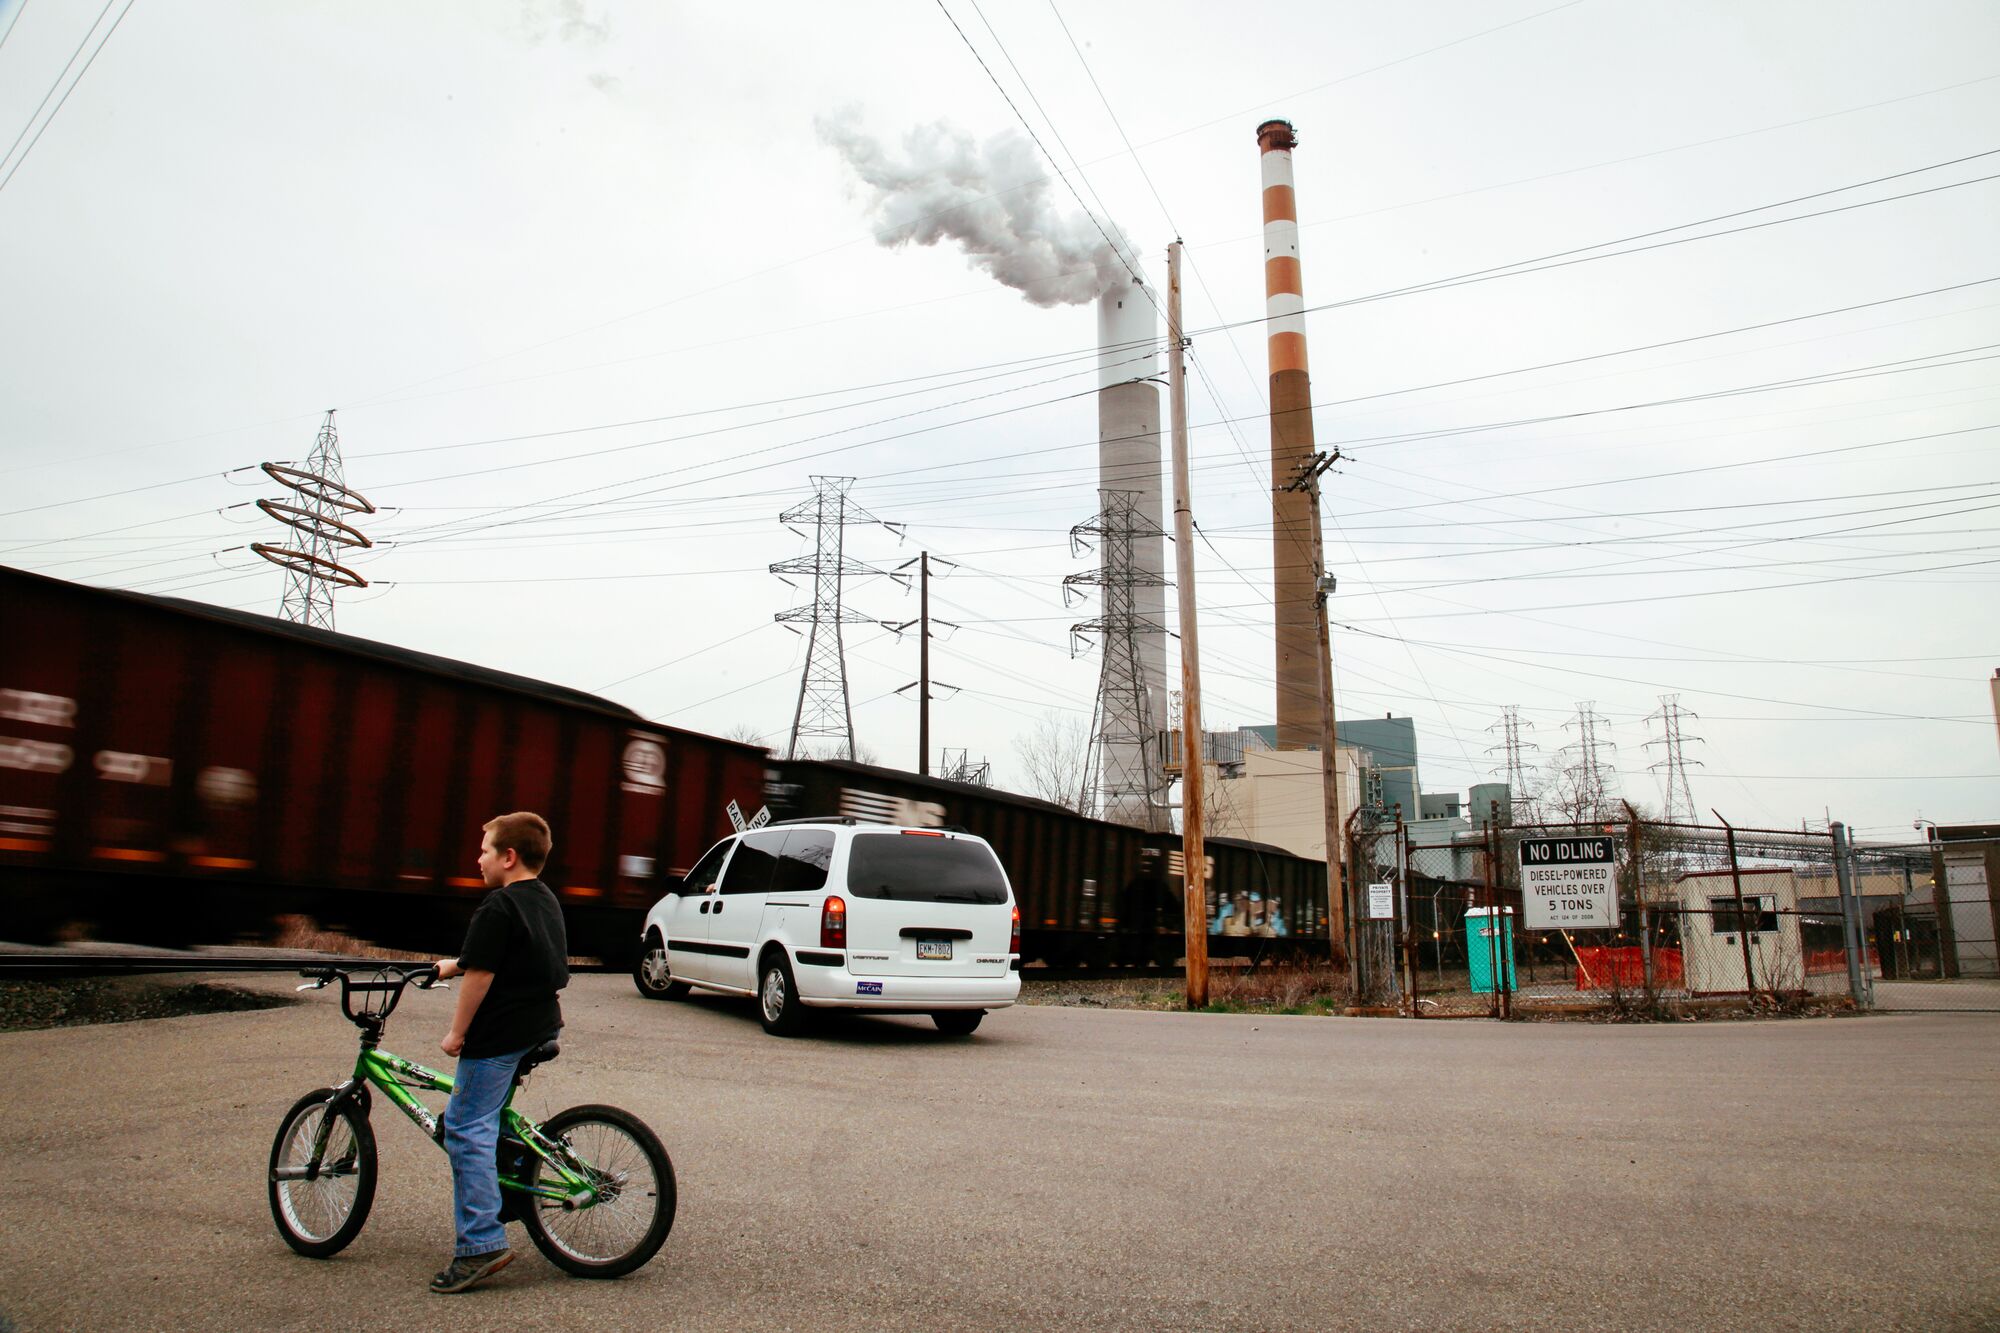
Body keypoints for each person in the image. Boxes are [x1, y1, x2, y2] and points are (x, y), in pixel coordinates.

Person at [429, 811, 569, 1295]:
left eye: (485, 849)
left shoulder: (496, 906)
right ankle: (503, 1185)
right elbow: (503, 955)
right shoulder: (543, 899)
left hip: (499, 1036)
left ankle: (480, 1244)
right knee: (479, 1118)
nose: (478, 857)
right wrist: (454, 963)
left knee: (465, 1128)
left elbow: (482, 976)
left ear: (508, 858)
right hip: (537, 1025)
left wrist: (455, 1034)